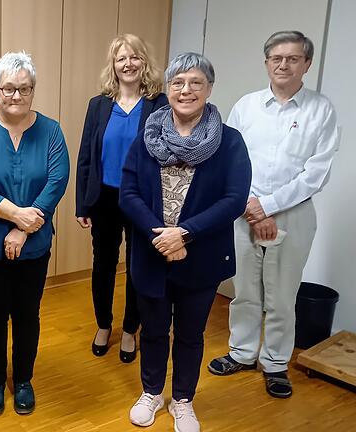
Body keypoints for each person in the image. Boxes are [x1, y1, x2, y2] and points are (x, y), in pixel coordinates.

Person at [120, 52, 251, 432]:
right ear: (167, 89)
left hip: (202, 256)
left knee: (191, 335)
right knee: (155, 329)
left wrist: (185, 233)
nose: (186, 90)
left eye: (195, 82)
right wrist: (159, 235)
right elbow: (128, 192)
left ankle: (183, 400)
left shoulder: (229, 142)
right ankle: (151, 392)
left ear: (209, 89)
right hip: (151, 251)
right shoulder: (148, 134)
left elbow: (234, 199)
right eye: (177, 82)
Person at [208, 31, 340, 399]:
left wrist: (268, 206)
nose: (283, 65)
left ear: (307, 64)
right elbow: (229, 158)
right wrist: (252, 204)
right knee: (244, 291)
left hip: (293, 214)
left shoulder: (321, 110)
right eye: (276, 58)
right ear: (266, 62)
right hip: (244, 211)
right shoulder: (246, 106)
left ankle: (275, 363)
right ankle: (242, 352)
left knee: (282, 296)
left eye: (293, 58)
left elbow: (316, 174)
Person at [0, 51, 69, 417]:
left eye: (24, 89)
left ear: (33, 89)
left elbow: (56, 181)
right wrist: (16, 215)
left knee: (26, 314)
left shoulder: (51, 131)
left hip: (34, 244)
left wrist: (23, 228)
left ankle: (22, 379)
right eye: (9, 89)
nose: (16, 96)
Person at [75, 34, 167, 362]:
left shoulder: (160, 104)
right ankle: (103, 325)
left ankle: (130, 329)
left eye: (134, 57)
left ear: (144, 62)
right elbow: (86, 156)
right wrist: (82, 203)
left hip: (142, 201)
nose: (127, 64)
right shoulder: (99, 105)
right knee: (103, 264)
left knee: (137, 266)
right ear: (113, 65)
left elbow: (167, 156)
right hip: (104, 199)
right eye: (120, 59)